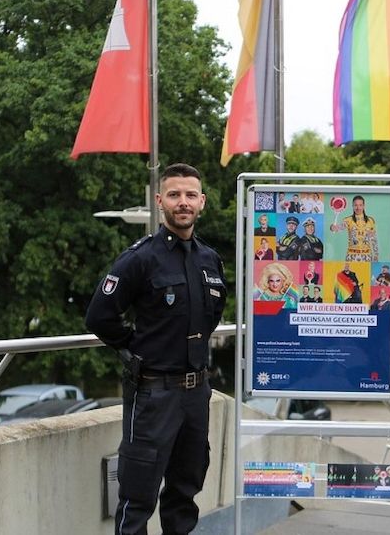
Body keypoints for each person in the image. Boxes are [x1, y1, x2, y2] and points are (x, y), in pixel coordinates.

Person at [85, 163, 227, 535]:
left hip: (196, 394)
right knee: (137, 500)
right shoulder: (141, 258)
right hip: (153, 395)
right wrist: (135, 348)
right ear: (159, 200)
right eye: (175, 195)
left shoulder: (209, 260)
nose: (184, 203)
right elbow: (100, 315)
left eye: (191, 195)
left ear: (202, 202)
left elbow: (211, 316)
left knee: (184, 493)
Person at [330, 195, 378, 261]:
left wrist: (376, 254)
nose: (358, 208)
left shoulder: (370, 220)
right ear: (352, 206)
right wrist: (333, 228)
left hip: (367, 256)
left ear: (364, 206)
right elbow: (339, 228)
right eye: (355, 205)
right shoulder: (348, 220)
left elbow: (373, 239)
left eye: (360, 205)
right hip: (352, 256)